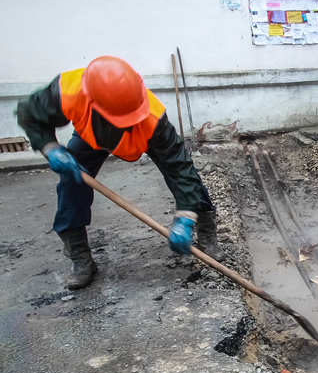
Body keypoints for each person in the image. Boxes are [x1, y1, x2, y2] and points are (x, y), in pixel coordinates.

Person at [16, 56, 226, 290]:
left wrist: (185, 216)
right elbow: (29, 113)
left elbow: (180, 168)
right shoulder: (67, 91)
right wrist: (49, 147)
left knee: (189, 178)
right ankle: (80, 257)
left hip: (143, 134)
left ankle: (206, 231)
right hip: (90, 136)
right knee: (70, 184)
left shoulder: (152, 118)